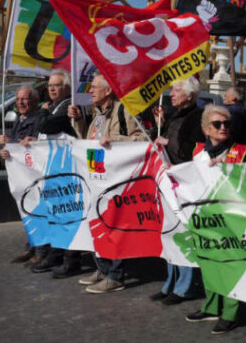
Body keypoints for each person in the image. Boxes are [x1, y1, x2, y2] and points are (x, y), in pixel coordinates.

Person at [68, 74, 146, 293]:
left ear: (108, 90)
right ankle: (103, 268)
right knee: (97, 224)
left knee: (114, 225)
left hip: (116, 180)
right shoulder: (97, 114)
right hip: (96, 178)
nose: (90, 91)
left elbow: (142, 138)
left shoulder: (124, 111)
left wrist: (115, 140)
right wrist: (79, 121)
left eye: (94, 87)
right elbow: (88, 140)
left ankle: (115, 275)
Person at [183, 104, 246, 335]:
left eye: (227, 124)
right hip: (205, 217)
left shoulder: (241, 151)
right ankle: (211, 306)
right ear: (206, 129)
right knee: (208, 262)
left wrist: (229, 170)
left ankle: (230, 313)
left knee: (229, 265)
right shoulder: (197, 152)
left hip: (231, 218)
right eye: (217, 124)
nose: (223, 128)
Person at [151, 77, 205, 305]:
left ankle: (185, 286)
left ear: (190, 94)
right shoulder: (175, 115)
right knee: (170, 233)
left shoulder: (197, 118)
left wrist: (167, 142)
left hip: (185, 183)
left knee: (184, 234)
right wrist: (159, 125)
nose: (171, 94)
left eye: (176, 90)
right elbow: (162, 141)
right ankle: (171, 282)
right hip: (169, 182)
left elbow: (191, 151)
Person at [27, 70, 81, 278]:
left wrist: (42, 111)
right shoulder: (55, 106)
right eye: (50, 85)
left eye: (56, 85)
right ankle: (55, 254)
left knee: (67, 215)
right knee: (55, 214)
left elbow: (45, 125)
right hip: (54, 169)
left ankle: (71, 260)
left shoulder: (68, 106)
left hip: (66, 170)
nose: (51, 88)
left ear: (67, 88)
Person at [0, 85, 45, 264]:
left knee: (37, 210)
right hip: (23, 175)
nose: (21, 103)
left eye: (24, 99)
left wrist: (14, 143)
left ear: (35, 101)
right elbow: (15, 146)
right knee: (27, 210)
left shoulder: (38, 119)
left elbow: (37, 145)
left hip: (34, 174)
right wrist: (6, 149)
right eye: (18, 99)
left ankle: (41, 249)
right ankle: (31, 245)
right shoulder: (20, 119)